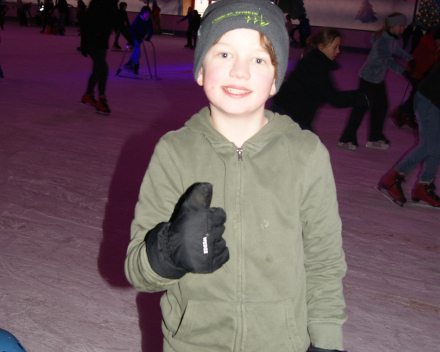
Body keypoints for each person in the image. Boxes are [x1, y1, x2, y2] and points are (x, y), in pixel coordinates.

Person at [125, 0, 348, 351]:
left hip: (280, 343)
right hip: (192, 343)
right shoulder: (175, 152)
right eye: (224, 54)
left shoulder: (305, 154)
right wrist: (166, 251)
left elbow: (324, 259)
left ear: (275, 80)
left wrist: (326, 340)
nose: (239, 72)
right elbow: (137, 271)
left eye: (258, 59)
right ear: (200, 69)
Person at [338, 13, 414, 151]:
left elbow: (399, 52)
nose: (402, 28)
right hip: (368, 79)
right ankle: (347, 139)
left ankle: (374, 137)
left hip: (377, 80)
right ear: (392, 26)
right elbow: (387, 60)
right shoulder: (383, 41)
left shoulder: (391, 40)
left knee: (381, 107)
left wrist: (412, 59)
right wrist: (405, 72)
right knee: (361, 108)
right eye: (400, 25)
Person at [272, 28, 369, 133]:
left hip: (292, 112)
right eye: (335, 47)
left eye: (338, 47)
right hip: (289, 114)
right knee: (309, 146)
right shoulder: (315, 66)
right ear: (321, 47)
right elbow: (332, 97)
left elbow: (324, 94)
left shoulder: (316, 61)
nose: (338, 51)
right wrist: (361, 97)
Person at [377, 63, 440, 207]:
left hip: (434, 102)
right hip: (430, 101)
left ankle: (423, 186)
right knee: (428, 146)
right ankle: (392, 178)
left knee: (436, 147)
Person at [389, 27, 440, 129]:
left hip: (426, 75)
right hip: (417, 73)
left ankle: (403, 113)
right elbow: (419, 61)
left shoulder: (436, 46)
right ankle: (403, 114)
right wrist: (422, 75)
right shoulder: (428, 45)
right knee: (420, 95)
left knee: (419, 95)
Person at [80, 0, 117, 114]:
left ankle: (88, 94)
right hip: (94, 42)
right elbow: (87, 24)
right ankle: (101, 99)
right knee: (103, 69)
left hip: (101, 43)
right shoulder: (97, 4)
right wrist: (84, 44)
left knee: (97, 69)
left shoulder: (110, 5)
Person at [122, 6, 153, 75]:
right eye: (146, 13)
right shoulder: (138, 18)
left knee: (135, 51)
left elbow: (151, 28)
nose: (147, 15)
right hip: (134, 37)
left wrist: (149, 36)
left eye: (149, 13)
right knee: (137, 51)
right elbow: (131, 29)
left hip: (140, 37)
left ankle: (129, 64)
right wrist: (136, 37)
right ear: (143, 13)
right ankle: (135, 66)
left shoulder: (149, 19)